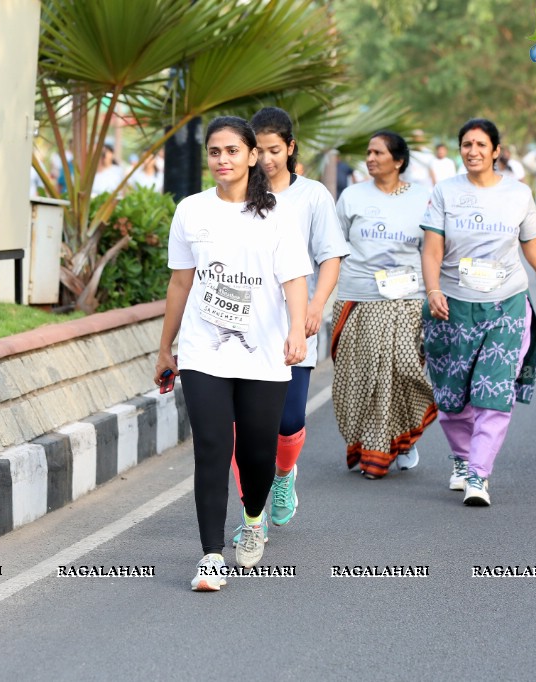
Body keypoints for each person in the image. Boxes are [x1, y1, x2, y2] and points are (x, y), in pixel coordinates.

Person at [154, 116, 311, 591]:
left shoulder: (277, 214)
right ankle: (210, 556)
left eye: (232, 151)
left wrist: (297, 334)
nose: (222, 160)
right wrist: (166, 346)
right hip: (205, 352)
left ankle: (255, 516)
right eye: (215, 152)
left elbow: (294, 280)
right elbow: (181, 281)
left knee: (257, 455)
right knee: (212, 449)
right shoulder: (191, 211)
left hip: (263, 352)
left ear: (251, 156)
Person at [421, 118, 536, 506]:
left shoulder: (518, 194)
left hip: (506, 305)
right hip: (452, 307)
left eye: (481, 145)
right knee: (452, 395)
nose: (473, 151)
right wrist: (433, 290)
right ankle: (462, 459)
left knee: (493, 391)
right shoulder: (444, 192)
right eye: (466, 144)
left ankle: (479, 475)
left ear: (496, 151)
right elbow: (432, 249)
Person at [222, 107, 349, 544]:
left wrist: (315, 305)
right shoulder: (234, 193)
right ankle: (251, 518)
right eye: (259, 150)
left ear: (291, 148)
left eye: (275, 150)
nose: (267, 159)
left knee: (289, 421)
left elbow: (330, 256)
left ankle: (283, 473)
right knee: (244, 429)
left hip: (296, 327)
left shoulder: (312, 197)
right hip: (242, 329)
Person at [332, 130, 437, 479]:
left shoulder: (423, 199)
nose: (370, 158)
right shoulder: (351, 196)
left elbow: (433, 250)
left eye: (378, 152)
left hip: (406, 300)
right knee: (364, 377)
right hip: (358, 297)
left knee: (404, 370)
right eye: (368, 152)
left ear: (399, 161)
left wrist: (436, 292)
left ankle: (401, 437)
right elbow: (335, 247)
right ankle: (377, 444)